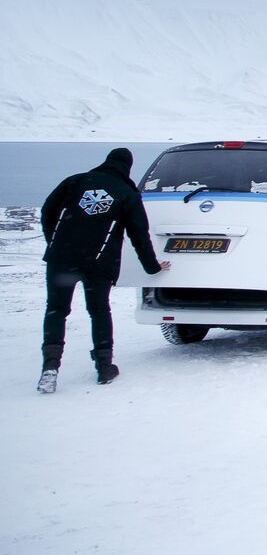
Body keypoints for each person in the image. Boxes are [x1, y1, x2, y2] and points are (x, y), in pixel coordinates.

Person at [39, 147, 170, 393]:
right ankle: (104, 367)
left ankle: (49, 368)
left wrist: (54, 243)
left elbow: (48, 211)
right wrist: (152, 267)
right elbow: (138, 234)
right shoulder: (126, 193)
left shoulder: (75, 181)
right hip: (98, 263)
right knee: (99, 311)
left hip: (61, 259)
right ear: (127, 167)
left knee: (56, 310)